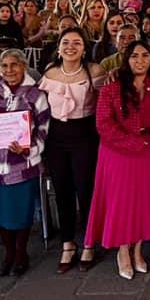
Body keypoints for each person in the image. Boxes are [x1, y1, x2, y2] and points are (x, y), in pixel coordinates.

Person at [86, 39, 150, 279]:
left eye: (145, 55)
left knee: (144, 199)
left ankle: (138, 249)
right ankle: (123, 250)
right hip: (117, 151)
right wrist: (133, 143)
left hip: (148, 148)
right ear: (126, 59)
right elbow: (103, 124)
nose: (140, 60)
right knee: (121, 202)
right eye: (134, 56)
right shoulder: (112, 87)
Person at [0, 49, 51, 277]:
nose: (9, 70)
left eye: (14, 65)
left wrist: (29, 149)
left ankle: (21, 252)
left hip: (21, 163)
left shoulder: (36, 94)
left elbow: (44, 129)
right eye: (4, 66)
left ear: (24, 67)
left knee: (19, 211)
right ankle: (8, 252)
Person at [39, 27, 106, 273]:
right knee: (62, 189)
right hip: (55, 137)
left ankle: (89, 241)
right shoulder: (50, 71)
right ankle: (68, 242)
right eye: (65, 42)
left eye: (76, 43)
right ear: (58, 47)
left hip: (85, 135)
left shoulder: (95, 70)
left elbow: (103, 104)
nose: (70, 47)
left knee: (85, 188)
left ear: (84, 47)